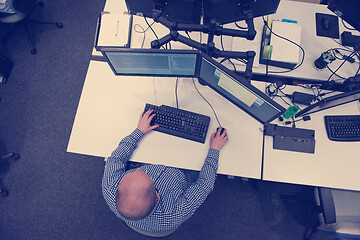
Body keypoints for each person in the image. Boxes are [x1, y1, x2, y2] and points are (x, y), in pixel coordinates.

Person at [102, 109, 229, 237]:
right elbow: (204, 186)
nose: (139, 169)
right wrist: (215, 149)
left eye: (133, 172)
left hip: (155, 159)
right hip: (183, 172)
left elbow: (116, 159)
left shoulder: (110, 187)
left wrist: (139, 130)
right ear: (158, 196)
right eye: (146, 176)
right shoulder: (175, 212)